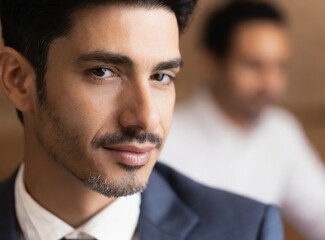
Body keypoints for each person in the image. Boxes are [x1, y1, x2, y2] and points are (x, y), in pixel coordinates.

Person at [0, 0, 283, 239]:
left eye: (161, 77)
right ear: (18, 80)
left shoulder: (247, 231)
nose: (146, 119)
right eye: (102, 72)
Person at [161, 1, 325, 239]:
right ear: (212, 62)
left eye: (280, 66)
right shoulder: (167, 137)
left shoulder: (280, 132)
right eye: (254, 65)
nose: (271, 84)